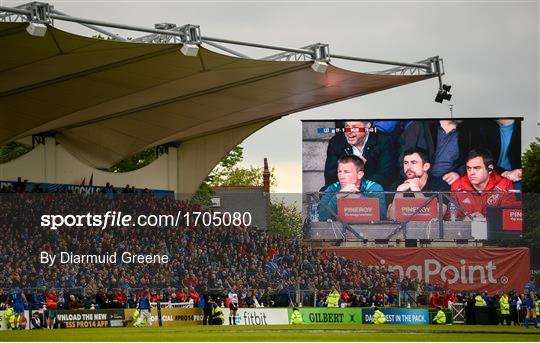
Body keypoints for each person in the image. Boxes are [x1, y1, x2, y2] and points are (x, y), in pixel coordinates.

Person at [324, 121, 396, 190]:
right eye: (347, 127)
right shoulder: (336, 142)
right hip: (343, 188)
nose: (349, 132)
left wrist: (358, 185)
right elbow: (330, 176)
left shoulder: (383, 141)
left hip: (373, 190)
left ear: (367, 126)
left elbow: (386, 175)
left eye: (355, 128)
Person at [450, 149, 516, 220]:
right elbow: (451, 217)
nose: (471, 173)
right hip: (467, 230)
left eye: (477, 168)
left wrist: (486, 219)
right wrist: (463, 220)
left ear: (490, 169)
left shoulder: (504, 185)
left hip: (493, 230)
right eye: (469, 168)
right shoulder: (457, 186)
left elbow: (509, 216)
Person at [319, 155, 387, 221]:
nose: (341, 176)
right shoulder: (332, 189)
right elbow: (322, 218)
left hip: (368, 230)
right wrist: (338, 196)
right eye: (339, 172)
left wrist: (356, 197)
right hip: (340, 231)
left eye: (347, 172)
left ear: (359, 175)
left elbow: (381, 217)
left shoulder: (373, 188)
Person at [387, 148, 447, 220]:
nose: (408, 167)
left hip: (430, 230)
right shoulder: (397, 186)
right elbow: (391, 218)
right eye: (406, 163)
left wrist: (416, 190)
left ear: (426, 166)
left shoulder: (440, 185)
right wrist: (399, 192)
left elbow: (437, 215)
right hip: (403, 230)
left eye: (413, 162)